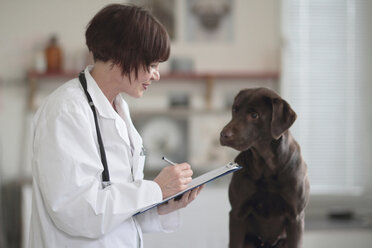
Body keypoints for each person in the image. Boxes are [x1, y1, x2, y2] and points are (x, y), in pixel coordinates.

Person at [29, 4, 203, 248]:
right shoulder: (65, 111)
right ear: (124, 55)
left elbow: (118, 211)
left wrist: (163, 204)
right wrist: (154, 190)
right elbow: (76, 212)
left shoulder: (119, 108)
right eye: (152, 65)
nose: (157, 75)